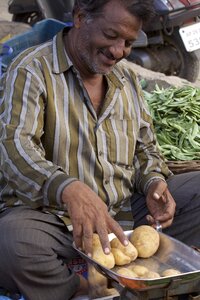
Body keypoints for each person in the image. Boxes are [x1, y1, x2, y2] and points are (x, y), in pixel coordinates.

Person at [0, 0, 200, 299]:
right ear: (80, 17)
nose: (119, 51)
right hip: (56, 221)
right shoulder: (31, 71)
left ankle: (131, 273)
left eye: (129, 42)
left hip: (125, 215)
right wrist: (69, 189)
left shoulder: (127, 81)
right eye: (111, 35)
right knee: (14, 241)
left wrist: (154, 183)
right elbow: (15, 146)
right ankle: (87, 287)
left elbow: (146, 149)